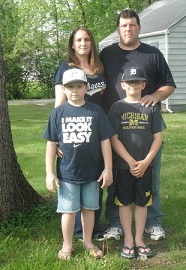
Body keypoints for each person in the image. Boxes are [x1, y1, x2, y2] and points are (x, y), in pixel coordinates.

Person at [99, 9, 176, 241]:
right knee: (114, 179)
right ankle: (115, 223)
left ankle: (152, 222)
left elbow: (169, 84)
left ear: (139, 28)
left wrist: (156, 95)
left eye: (132, 25)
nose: (128, 29)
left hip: (146, 130)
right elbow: (93, 79)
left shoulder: (152, 54)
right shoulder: (107, 54)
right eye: (123, 25)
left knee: (150, 177)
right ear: (118, 29)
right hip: (115, 130)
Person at [43, 68, 114, 260]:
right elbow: (51, 144)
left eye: (79, 86)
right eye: (70, 87)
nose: (75, 90)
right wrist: (50, 173)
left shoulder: (96, 111)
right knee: (68, 211)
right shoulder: (57, 113)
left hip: (92, 173)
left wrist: (108, 168)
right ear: (64, 89)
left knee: (89, 209)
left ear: (86, 88)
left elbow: (105, 140)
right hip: (67, 174)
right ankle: (66, 245)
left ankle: (87, 241)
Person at [54, 26, 106, 241]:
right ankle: (76, 232)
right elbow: (59, 104)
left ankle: (93, 228)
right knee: (74, 179)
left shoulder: (100, 68)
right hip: (74, 131)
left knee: (96, 178)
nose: (83, 43)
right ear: (72, 44)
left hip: (97, 129)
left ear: (92, 43)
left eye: (86, 39)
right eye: (78, 40)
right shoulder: (65, 68)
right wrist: (57, 136)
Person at [107, 66, 166, 258]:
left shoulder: (151, 107)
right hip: (124, 166)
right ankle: (128, 240)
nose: (134, 85)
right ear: (123, 85)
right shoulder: (117, 107)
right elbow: (113, 138)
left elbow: (158, 137)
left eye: (138, 82)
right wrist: (132, 162)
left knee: (142, 202)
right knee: (124, 202)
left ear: (144, 84)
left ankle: (139, 239)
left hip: (145, 166)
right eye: (130, 82)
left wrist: (146, 162)